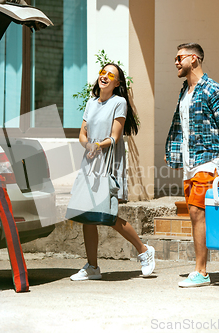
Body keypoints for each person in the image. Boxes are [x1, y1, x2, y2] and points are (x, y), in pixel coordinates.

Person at [164, 43, 219, 288]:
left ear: (194, 59)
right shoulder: (185, 91)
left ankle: (201, 271)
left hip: (209, 161)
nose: (176, 62)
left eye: (180, 57)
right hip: (191, 161)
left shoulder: (214, 90)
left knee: (197, 213)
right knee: (203, 215)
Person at [69, 63, 155, 281]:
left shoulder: (119, 102)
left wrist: (97, 146)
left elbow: (115, 136)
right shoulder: (91, 103)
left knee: (108, 214)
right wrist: (88, 145)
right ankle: (92, 267)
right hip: (90, 161)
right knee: (87, 216)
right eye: (102, 73)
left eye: (110, 75)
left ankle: (144, 251)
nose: (104, 76)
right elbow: (82, 133)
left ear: (117, 83)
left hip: (108, 161)